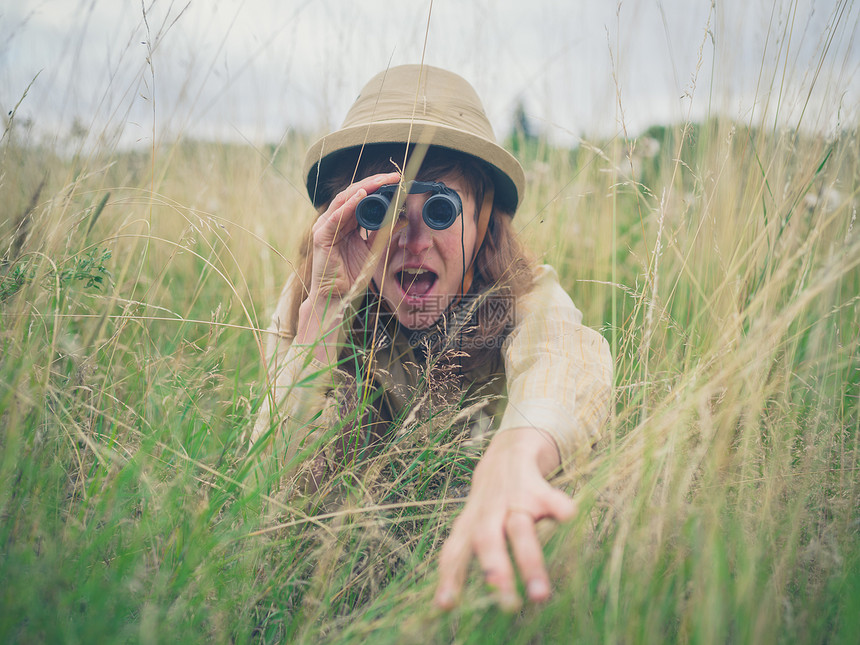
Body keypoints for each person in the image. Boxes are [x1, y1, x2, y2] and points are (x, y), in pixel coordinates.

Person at [251, 64, 613, 610]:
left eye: (440, 210)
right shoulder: (315, 299)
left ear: (482, 220)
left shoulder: (522, 295)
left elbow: (563, 359)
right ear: (347, 215)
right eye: (384, 210)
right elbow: (264, 487)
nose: (412, 242)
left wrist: (516, 455)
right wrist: (323, 315)